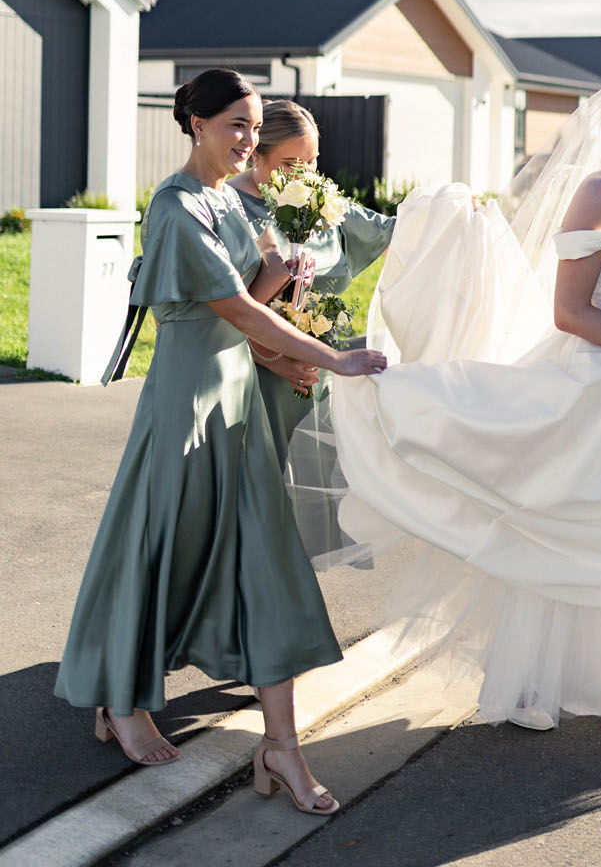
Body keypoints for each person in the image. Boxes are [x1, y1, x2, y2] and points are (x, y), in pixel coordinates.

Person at [329, 69, 601, 766]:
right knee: (572, 530)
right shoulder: (598, 193)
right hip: (599, 384)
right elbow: (571, 313)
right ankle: (542, 683)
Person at [55, 69, 386, 816]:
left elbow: (254, 295)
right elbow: (234, 309)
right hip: (185, 406)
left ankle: (281, 746)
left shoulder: (227, 203)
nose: (247, 140)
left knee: (267, 567)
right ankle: (120, 701)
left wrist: (286, 272)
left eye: (253, 124)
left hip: (237, 400)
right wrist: (333, 356)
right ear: (196, 124)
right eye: (236, 124)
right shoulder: (176, 209)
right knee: (161, 553)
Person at [230, 98, 396, 566]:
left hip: (316, 378)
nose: (304, 174)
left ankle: (289, 607)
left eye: (313, 161)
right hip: (253, 378)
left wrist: (450, 211)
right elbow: (218, 310)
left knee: (306, 512)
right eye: (290, 163)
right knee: (254, 503)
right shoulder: (227, 206)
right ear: (255, 153)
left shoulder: (323, 203)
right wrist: (274, 358)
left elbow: (392, 231)